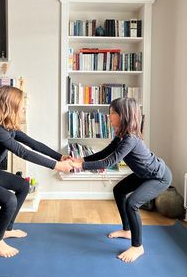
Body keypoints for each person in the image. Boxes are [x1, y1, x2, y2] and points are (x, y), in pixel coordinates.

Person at [0, 85, 72, 258]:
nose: (24, 108)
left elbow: (33, 144)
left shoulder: (8, 127)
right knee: (8, 200)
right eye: (21, 105)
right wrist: (56, 166)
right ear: (10, 106)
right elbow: (23, 152)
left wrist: (60, 157)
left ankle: (6, 229)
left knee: (23, 186)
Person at [71, 97, 172, 262]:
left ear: (123, 115)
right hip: (144, 174)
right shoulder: (121, 137)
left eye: (112, 113)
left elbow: (108, 162)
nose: (109, 116)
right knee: (118, 190)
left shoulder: (130, 139)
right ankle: (127, 230)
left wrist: (80, 166)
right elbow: (104, 153)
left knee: (132, 203)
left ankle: (138, 246)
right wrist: (81, 160)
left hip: (158, 177)